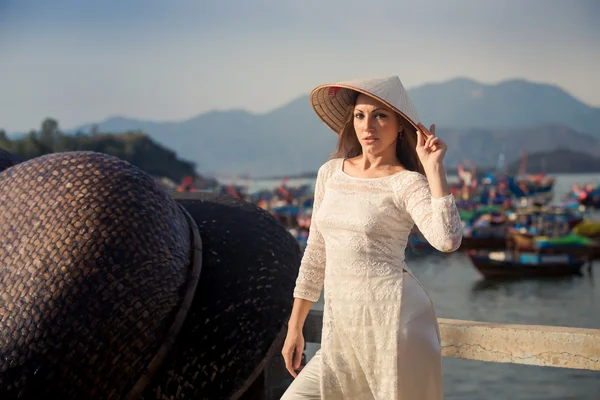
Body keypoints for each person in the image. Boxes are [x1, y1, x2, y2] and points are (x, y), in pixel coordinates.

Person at [280, 76, 463, 400]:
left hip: (395, 321)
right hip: (342, 329)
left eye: (381, 115)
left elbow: (447, 240)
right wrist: (296, 325)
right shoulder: (330, 173)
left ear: (400, 127)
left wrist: (434, 169)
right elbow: (316, 253)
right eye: (360, 115)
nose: (369, 125)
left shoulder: (406, 183)